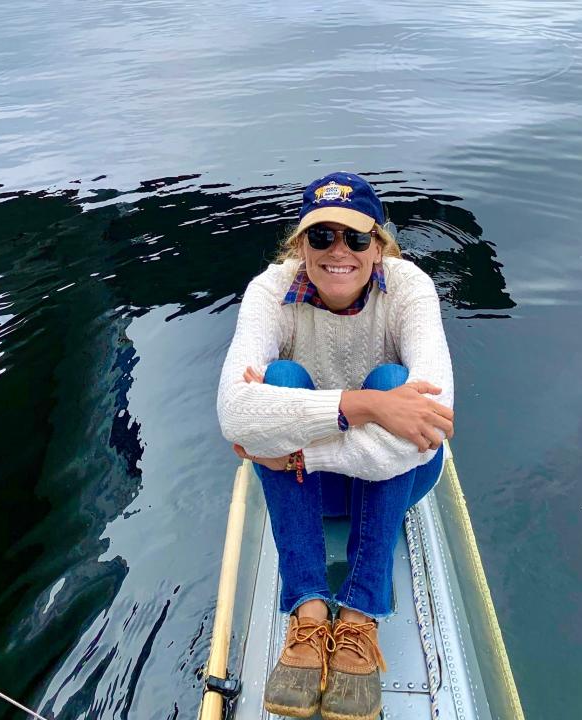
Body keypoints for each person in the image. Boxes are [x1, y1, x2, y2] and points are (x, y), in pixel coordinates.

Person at [216, 172, 455, 720]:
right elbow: (233, 413)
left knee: (397, 380)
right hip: (316, 489)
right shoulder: (271, 291)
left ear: (379, 245)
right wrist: (366, 407)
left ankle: (360, 614)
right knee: (282, 374)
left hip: (342, 472)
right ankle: (308, 609)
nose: (338, 251)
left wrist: (296, 452)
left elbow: (433, 428)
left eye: (355, 238)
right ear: (300, 245)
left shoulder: (409, 288)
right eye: (321, 237)